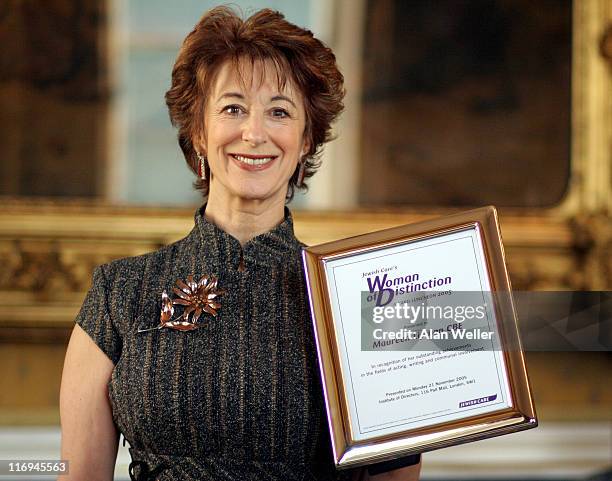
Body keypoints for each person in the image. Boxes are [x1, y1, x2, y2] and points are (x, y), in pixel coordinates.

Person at [59, 7, 421, 481]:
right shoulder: (119, 293)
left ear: (306, 139)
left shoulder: (361, 300)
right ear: (198, 132)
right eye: (233, 108)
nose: (254, 133)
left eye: (279, 111)